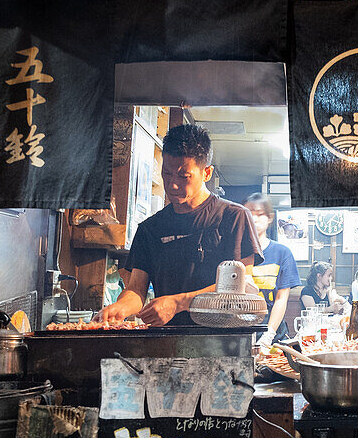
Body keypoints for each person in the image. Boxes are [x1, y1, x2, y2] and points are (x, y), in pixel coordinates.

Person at [98, 124, 261, 326]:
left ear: (207, 173)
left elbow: (243, 286)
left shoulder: (233, 217)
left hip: (221, 340)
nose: (173, 184)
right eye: (167, 174)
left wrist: (179, 303)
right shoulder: (150, 228)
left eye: (184, 177)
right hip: (166, 340)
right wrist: (118, 308)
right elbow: (137, 290)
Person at [244, 193, 300, 347]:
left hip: (273, 334)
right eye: (249, 214)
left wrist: (269, 335)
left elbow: (281, 298)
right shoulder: (235, 252)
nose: (253, 219)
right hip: (240, 333)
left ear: (270, 217)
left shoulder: (282, 253)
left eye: (259, 214)